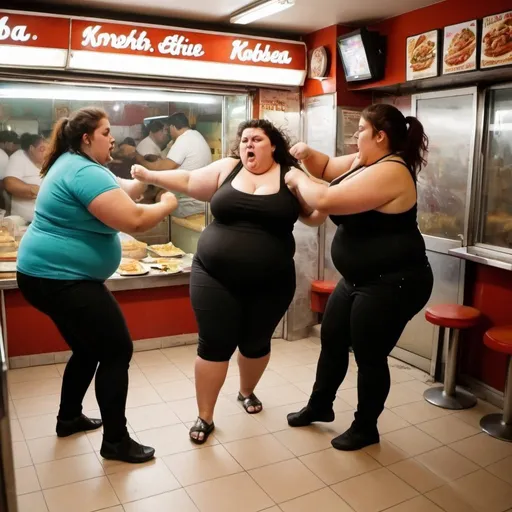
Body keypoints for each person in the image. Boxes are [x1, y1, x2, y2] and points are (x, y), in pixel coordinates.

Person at [132, 119, 325, 444]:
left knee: (256, 343)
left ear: (273, 144)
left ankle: (246, 391)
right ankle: (204, 416)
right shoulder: (229, 168)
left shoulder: (290, 176)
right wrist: (150, 175)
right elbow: (189, 179)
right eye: (245, 139)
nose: (248, 144)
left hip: (272, 281)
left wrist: (308, 182)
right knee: (213, 345)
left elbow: (317, 212)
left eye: (257, 139)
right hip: (213, 275)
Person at [16, 107, 178, 463]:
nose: (113, 138)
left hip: (47, 276)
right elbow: (134, 219)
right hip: (59, 278)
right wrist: (167, 204)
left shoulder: (76, 163)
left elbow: (126, 190)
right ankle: (116, 441)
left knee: (89, 349)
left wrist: (149, 177)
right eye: (106, 132)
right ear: (87, 138)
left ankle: (69, 417)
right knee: (117, 350)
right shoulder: (82, 170)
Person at [285, 103, 434, 451]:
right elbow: (324, 167)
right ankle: (320, 405)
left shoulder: (392, 171)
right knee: (333, 338)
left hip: (394, 281)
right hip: (358, 279)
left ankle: (366, 427)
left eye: (360, 132)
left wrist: (294, 176)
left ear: (380, 137)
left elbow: (323, 195)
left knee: (369, 354)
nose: (354, 139)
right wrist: (306, 154)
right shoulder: (362, 161)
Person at [136, 113, 212, 217]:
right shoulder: (196, 135)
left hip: (189, 202)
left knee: (158, 196)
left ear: (173, 127)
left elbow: (162, 168)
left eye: (168, 129)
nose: (168, 133)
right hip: (201, 196)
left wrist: (140, 160)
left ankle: (163, 229)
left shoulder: (183, 140)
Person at [4, 133, 48, 222]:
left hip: (45, 218)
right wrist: (35, 190)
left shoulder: (47, 160)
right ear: (32, 149)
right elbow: (10, 183)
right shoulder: (18, 158)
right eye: (42, 149)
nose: (46, 153)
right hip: (25, 220)